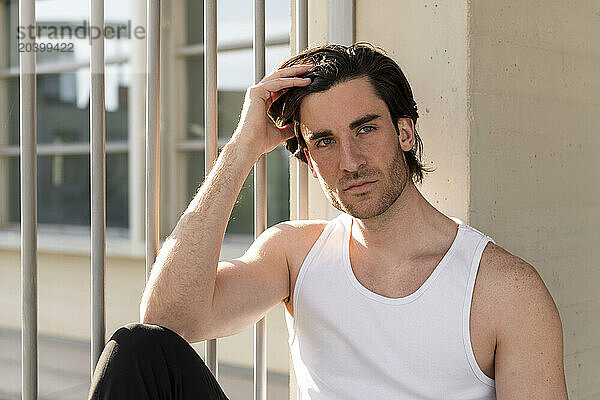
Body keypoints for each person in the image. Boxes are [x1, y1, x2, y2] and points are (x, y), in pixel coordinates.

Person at [89, 43, 568, 399]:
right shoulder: (297, 254)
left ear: (405, 131)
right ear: (307, 158)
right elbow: (168, 319)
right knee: (137, 351)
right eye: (324, 141)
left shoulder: (505, 290)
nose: (350, 161)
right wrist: (241, 150)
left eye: (365, 129)